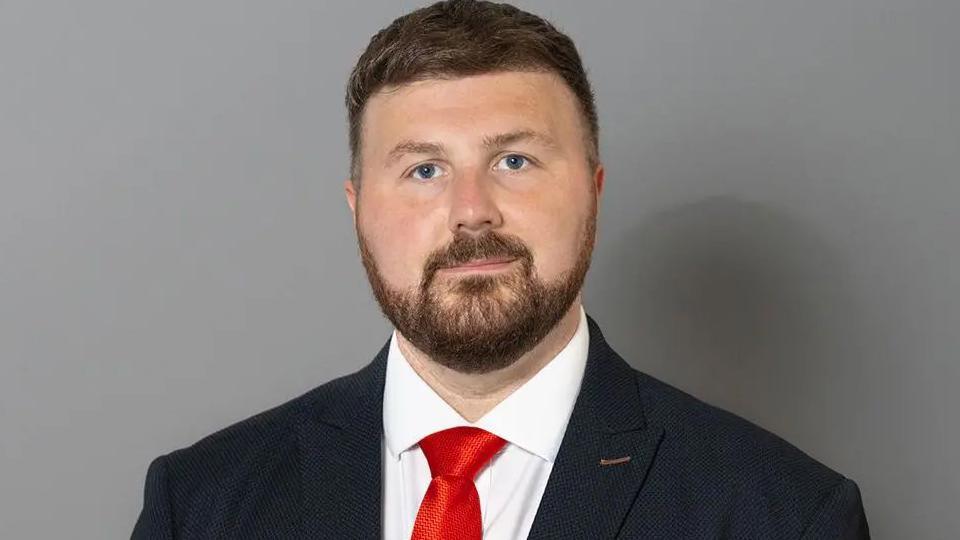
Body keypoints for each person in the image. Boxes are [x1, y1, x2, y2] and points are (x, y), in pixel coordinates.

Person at [132, 1, 870, 538]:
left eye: (514, 161)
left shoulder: (781, 514)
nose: (471, 210)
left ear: (592, 191)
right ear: (358, 207)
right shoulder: (199, 505)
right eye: (423, 169)